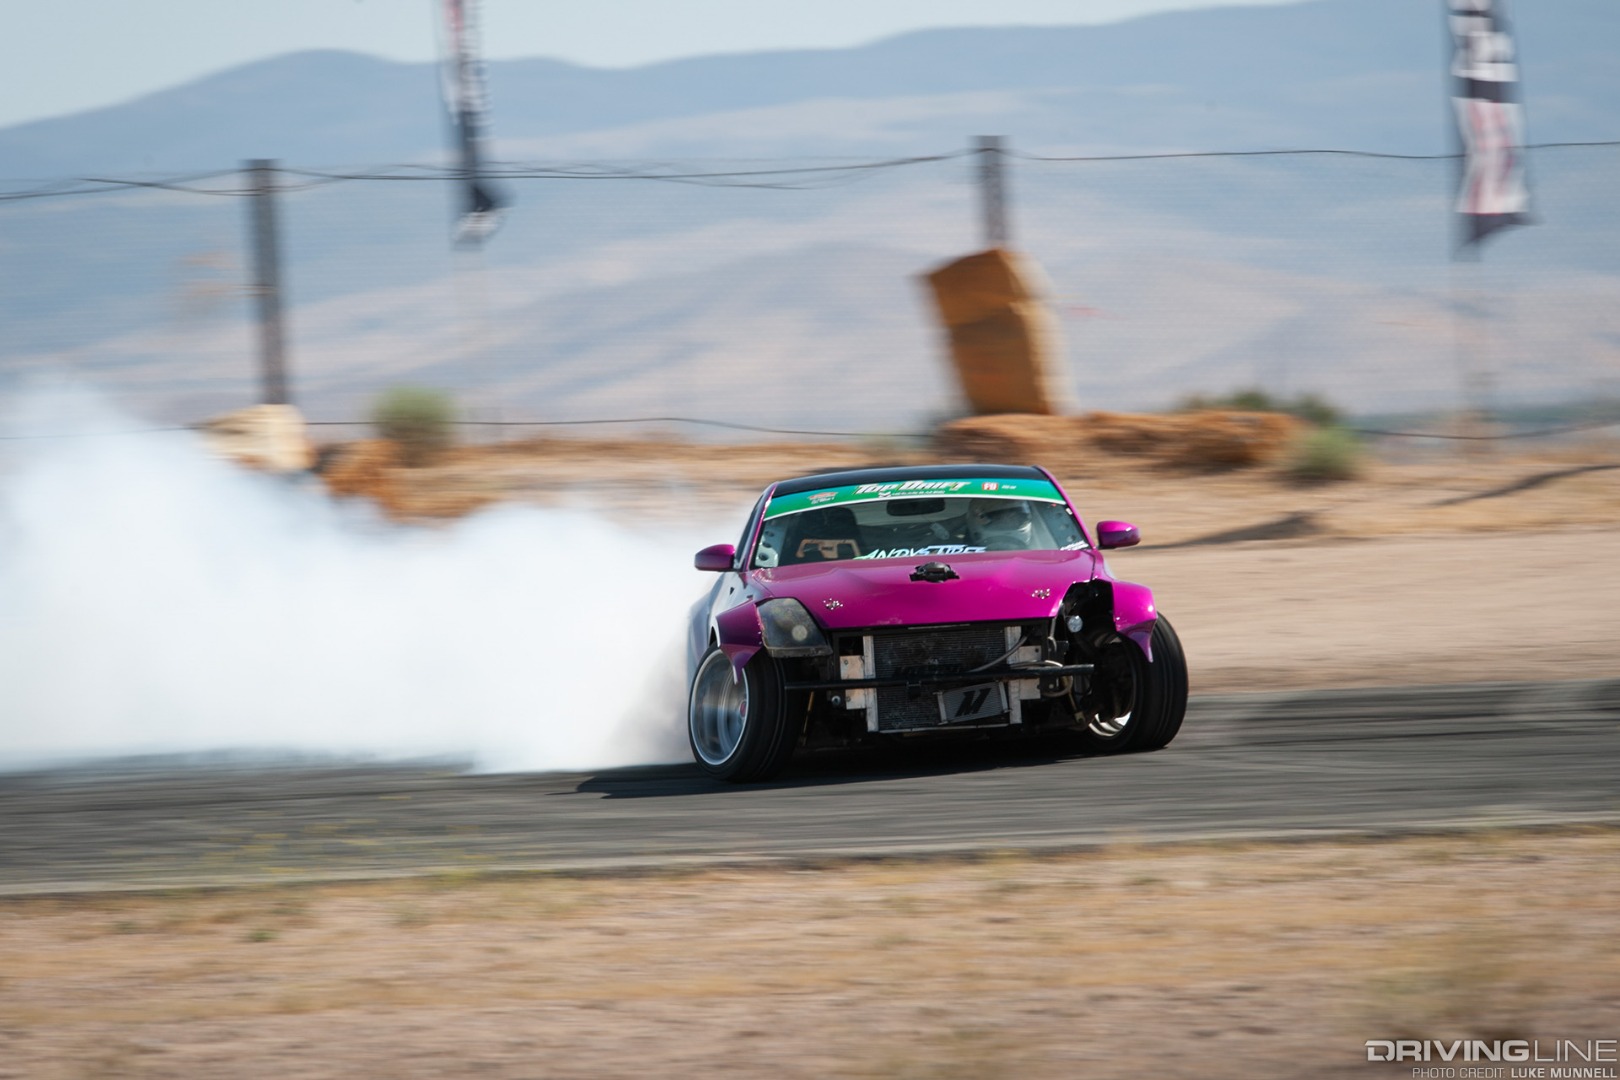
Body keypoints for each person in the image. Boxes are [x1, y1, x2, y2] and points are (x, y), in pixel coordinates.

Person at [965, 498, 1033, 550]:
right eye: (999, 517)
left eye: (1016, 517)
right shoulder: (956, 538)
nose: (1007, 522)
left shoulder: (1039, 543)